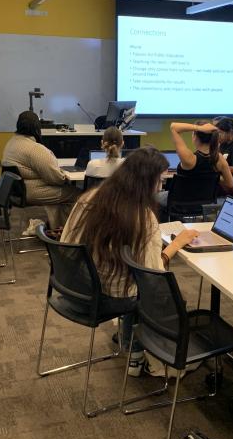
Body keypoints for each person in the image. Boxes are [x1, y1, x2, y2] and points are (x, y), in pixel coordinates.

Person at [61, 147, 199, 375]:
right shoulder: (144, 219)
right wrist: (175, 245)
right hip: (111, 295)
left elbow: (67, 243)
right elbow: (152, 276)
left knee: (131, 275)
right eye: (159, 181)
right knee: (167, 293)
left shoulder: (88, 198)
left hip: (75, 286)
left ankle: (130, 344)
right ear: (146, 182)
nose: (160, 187)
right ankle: (139, 357)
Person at [1, 111, 80, 229]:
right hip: (28, 192)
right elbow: (56, 179)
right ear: (37, 128)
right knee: (76, 193)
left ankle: (56, 228)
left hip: (14, 191)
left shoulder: (11, 143)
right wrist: (63, 174)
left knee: (61, 193)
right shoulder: (35, 149)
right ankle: (67, 233)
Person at [158, 122, 233, 212]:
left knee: (150, 196)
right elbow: (230, 184)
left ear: (195, 137)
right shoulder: (219, 159)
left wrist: (199, 128)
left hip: (179, 204)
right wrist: (211, 177)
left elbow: (173, 127)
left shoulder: (189, 158)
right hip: (205, 206)